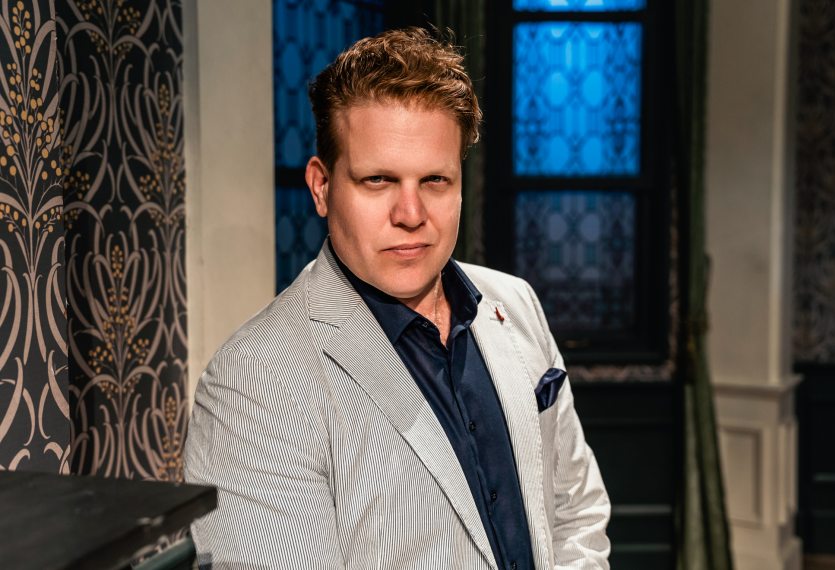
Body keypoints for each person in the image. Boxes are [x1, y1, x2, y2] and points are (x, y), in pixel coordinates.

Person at [185, 27, 610, 569]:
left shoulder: (516, 303)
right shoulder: (255, 381)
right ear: (321, 187)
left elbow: (575, 513)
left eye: (434, 180)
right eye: (378, 180)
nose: (411, 214)